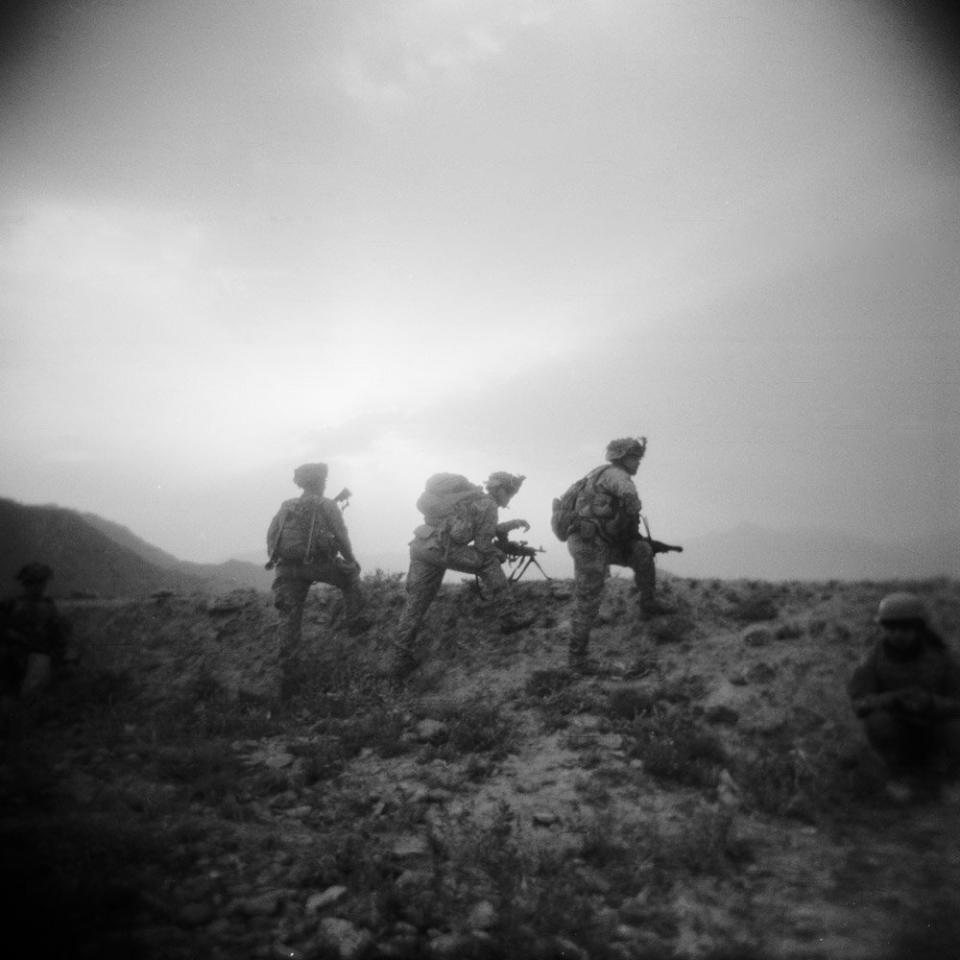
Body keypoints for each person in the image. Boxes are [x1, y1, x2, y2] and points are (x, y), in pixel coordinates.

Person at [392, 471, 536, 676]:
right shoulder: (489, 505)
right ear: (501, 489)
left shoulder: (472, 499)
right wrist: (500, 553)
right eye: (510, 493)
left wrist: (512, 524)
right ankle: (509, 617)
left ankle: (398, 658)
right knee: (489, 562)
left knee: (417, 602)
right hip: (443, 547)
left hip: (422, 545)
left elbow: (473, 527)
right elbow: (483, 546)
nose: (509, 498)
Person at [565, 436, 675, 671]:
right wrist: (630, 516)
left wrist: (634, 537)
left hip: (601, 541)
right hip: (590, 544)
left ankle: (648, 602)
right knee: (588, 596)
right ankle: (577, 657)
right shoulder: (617, 476)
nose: (638, 463)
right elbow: (630, 500)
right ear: (622, 458)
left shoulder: (596, 473)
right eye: (634, 457)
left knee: (642, 551)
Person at [848, 591, 960, 802]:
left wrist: (930, 702)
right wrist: (893, 699)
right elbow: (860, 703)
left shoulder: (943, 659)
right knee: (877, 722)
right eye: (891, 627)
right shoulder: (872, 660)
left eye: (906, 627)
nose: (898, 634)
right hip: (898, 731)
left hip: (935, 726)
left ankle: (952, 778)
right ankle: (899, 776)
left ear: (919, 628)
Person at [266, 463, 369, 671]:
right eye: (324, 481)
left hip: (286, 569)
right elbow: (341, 537)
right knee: (350, 578)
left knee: (289, 618)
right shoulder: (326, 505)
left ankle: (289, 671)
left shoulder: (286, 505)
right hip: (318, 565)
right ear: (320, 482)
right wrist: (351, 561)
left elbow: (271, 536)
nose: (325, 484)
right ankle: (355, 623)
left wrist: (278, 559)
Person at [0, 563, 71, 705]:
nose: (38, 586)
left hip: (39, 655)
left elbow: (58, 635)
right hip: (12, 654)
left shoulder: (49, 607)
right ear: (26, 584)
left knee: (31, 694)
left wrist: (56, 652)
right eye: (33, 582)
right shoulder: (11, 604)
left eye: (41, 582)